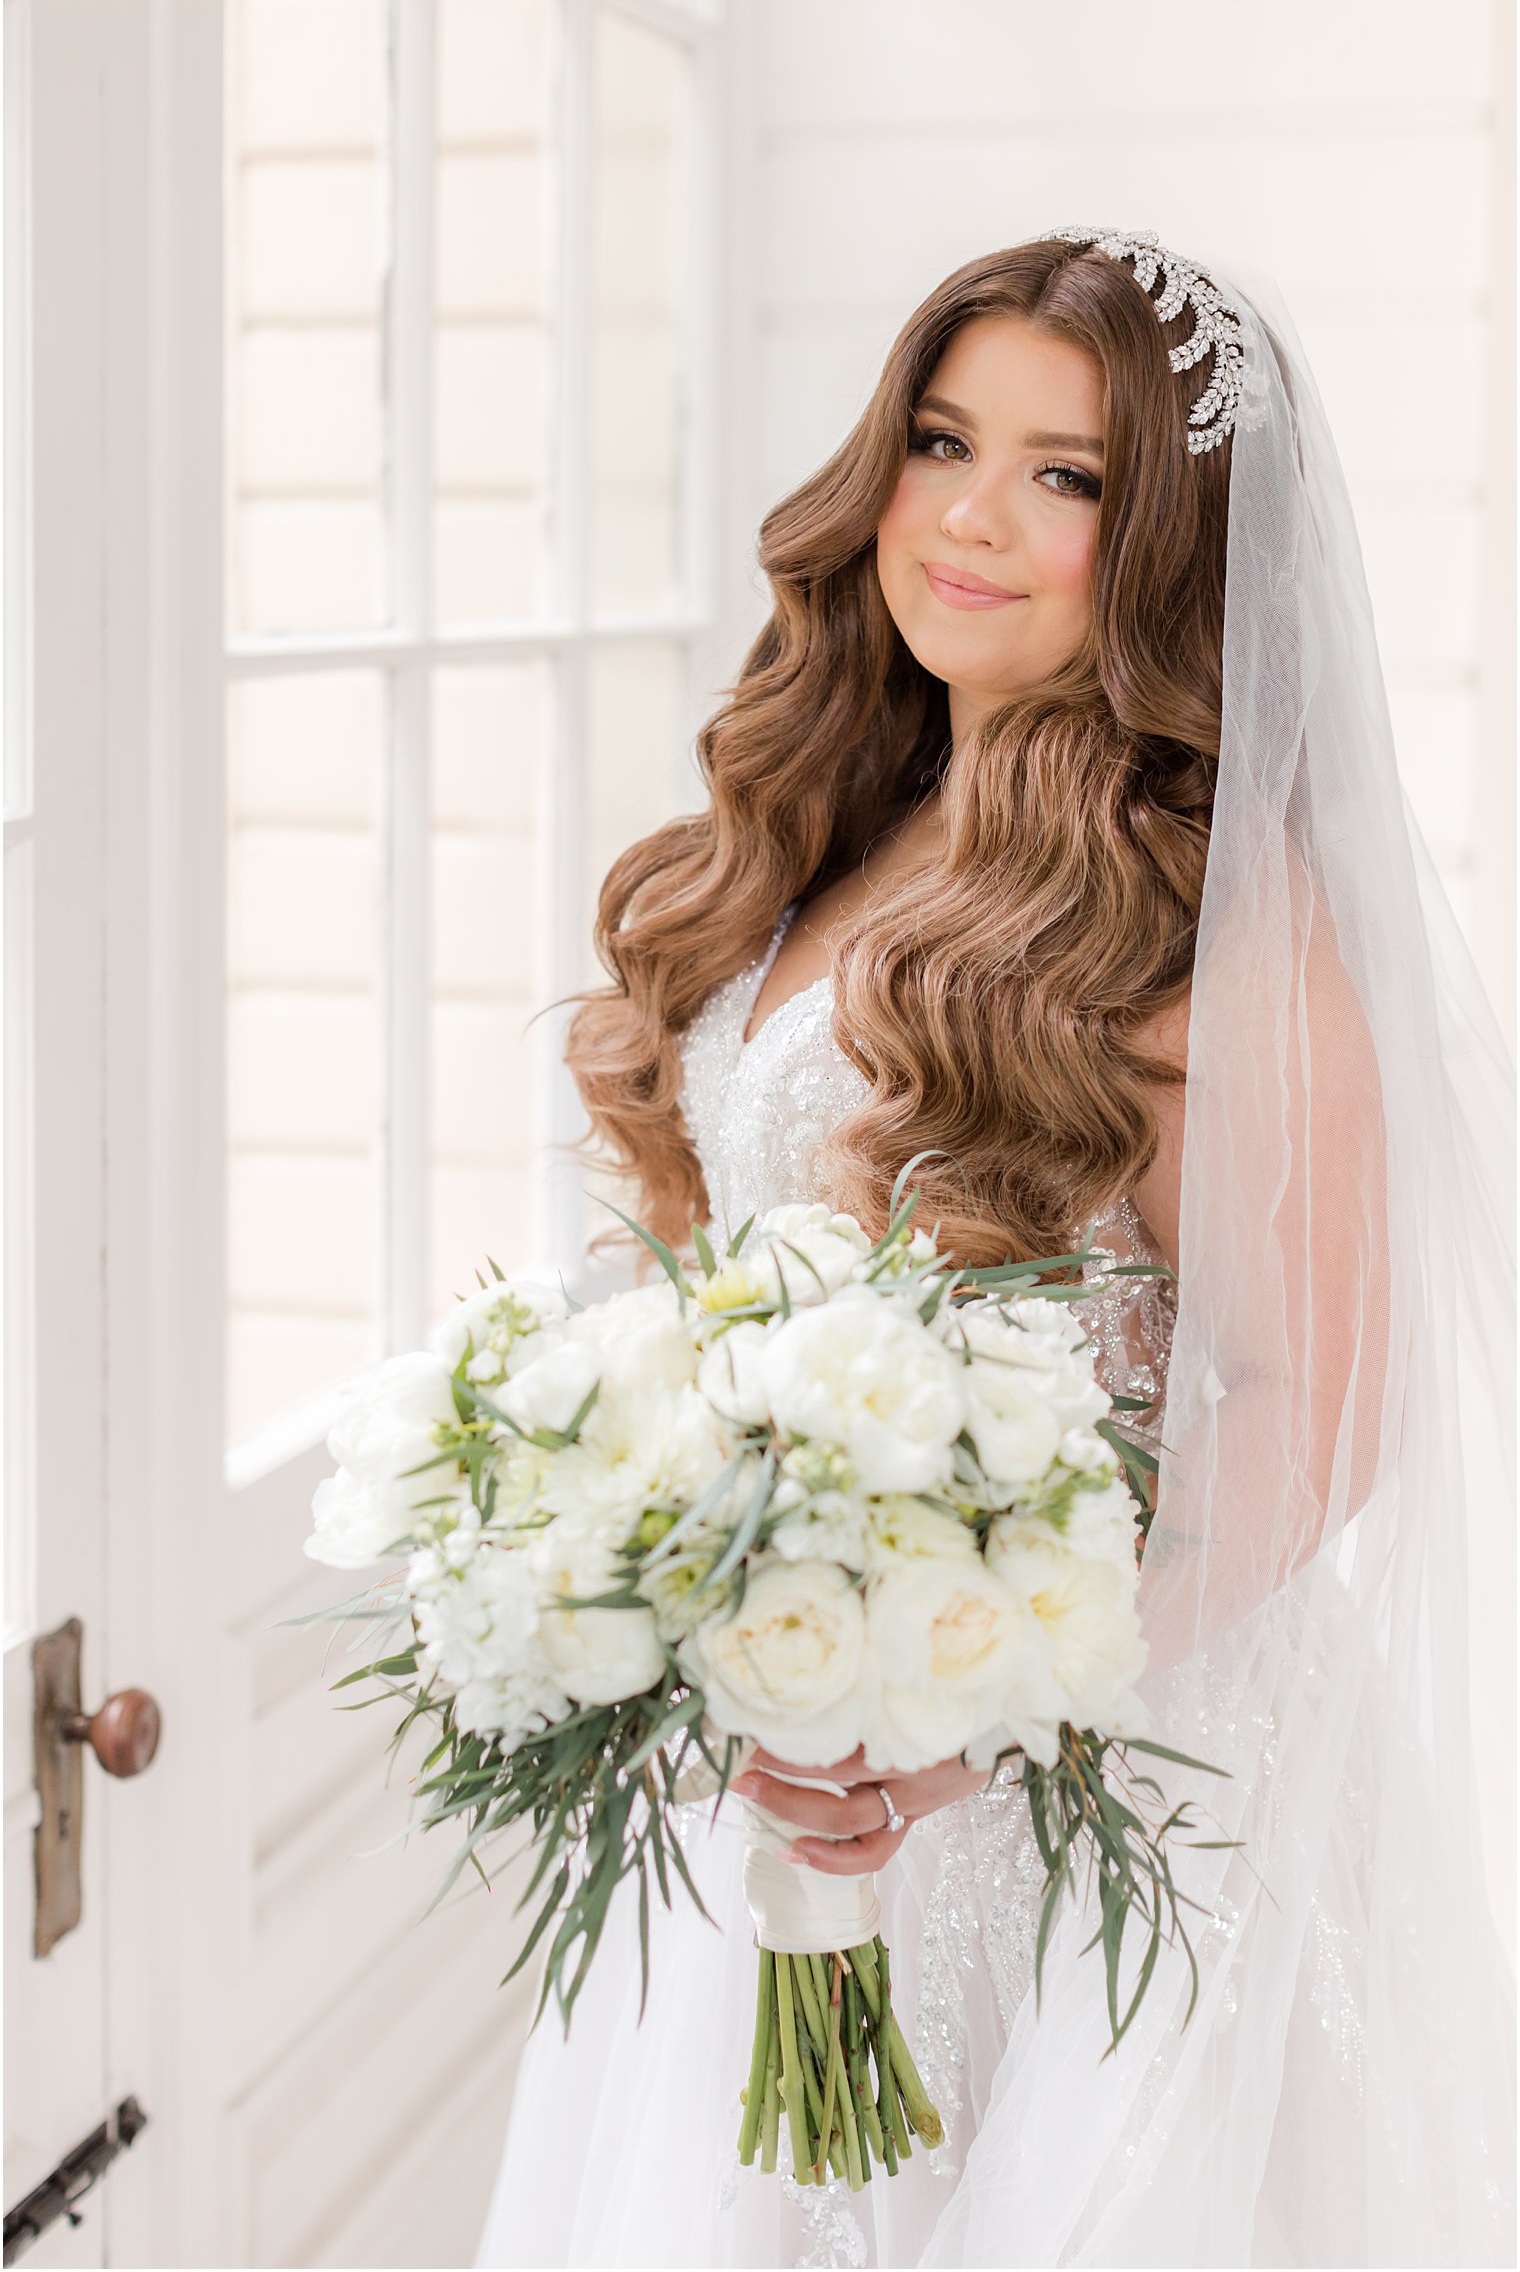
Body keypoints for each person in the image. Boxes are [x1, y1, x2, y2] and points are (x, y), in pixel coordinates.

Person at [474, 229, 1515, 2268]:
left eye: (1068, 474)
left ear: (1168, 549)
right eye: (943, 438)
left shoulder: (1212, 916)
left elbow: (1323, 1397)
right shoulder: (832, 820)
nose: (968, 513)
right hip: (784, 1761)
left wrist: (969, 1713)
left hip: (1066, 1782)